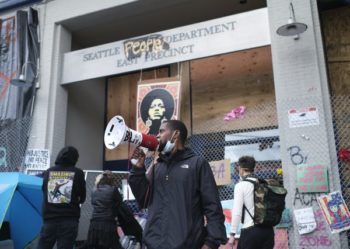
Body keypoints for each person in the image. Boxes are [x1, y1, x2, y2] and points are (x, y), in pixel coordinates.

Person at [129, 119, 227, 249]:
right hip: (154, 244)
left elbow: (213, 207)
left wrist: (211, 243)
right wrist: (137, 169)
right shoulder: (157, 166)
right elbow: (143, 200)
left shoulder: (197, 164)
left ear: (175, 134)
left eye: (161, 131)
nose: (157, 136)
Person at [37, 146, 86, 249]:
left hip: (49, 220)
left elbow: (44, 191)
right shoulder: (78, 173)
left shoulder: (49, 172)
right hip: (69, 220)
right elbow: (82, 198)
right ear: (75, 158)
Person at [228, 156, 274, 249]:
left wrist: (232, 234)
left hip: (250, 231)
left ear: (241, 169)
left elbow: (237, 212)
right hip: (268, 231)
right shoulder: (264, 184)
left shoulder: (241, 186)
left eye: (238, 168)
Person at [85, 171, 123, 249]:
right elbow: (119, 202)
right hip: (108, 222)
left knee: (95, 245)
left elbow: (93, 202)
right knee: (114, 245)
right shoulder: (113, 189)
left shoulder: (94, 189)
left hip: (95, 222)